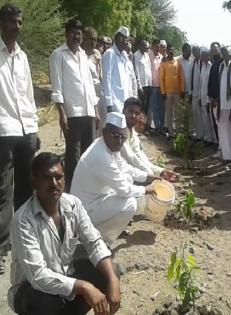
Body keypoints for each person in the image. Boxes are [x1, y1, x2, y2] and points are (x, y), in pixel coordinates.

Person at [8, 152, 120, 315]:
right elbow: (38, 276)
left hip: (66, 276)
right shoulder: (23, 220)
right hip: (32, 290)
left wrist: (113, 279)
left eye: (58, 177)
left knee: (109, 272)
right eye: (46, 178)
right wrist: (84, 286)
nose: (54, 183)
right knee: (46, 302)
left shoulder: (73, 205)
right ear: (34, 182)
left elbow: (94, 243)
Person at [71, 112, 156, 244]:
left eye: (123, 137)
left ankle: (100, 231)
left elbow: (125, 168)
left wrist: (149, 176)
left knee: (127, 178)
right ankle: (98, 241)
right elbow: (124, 190)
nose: (120, 141)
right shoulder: (101, 156)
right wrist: (146, 189)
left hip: (96, 199)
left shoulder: (107, 146)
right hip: (85, 209)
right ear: (105, 133)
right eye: (116, 136)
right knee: (130, 204)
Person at [0, 4, 39, 274]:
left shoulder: (21, 57)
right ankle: (1, 249)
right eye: (13, 22)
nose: (18, 27)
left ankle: (24, 240)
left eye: (20, 22)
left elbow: (28, 95)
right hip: (3, 131)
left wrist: (34, 128)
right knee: (3, 192)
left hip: (26, 130)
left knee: (27, 190)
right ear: (2, 23)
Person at [50, 19, 100, 192]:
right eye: (73, 33)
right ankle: (71, 190)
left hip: (88, 112)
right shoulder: (58, 55)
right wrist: (61, 113)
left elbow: (89, 85)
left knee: (88, 154)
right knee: (73, 155)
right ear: (66, 34)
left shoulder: (84, 57)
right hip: (72, 113)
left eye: (79, 34)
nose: (76, 36)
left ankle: (86, 190)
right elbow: (57, 87)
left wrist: (95, 110)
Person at [121, 97, 178, 182]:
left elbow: (140, 157)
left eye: (136, 113)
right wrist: (151, 174)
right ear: (123, 111)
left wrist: (161, 172)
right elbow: (132, 159)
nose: (133, 116)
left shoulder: (133, 133)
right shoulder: (119, 133)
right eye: (130, 111)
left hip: (131, 173)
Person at [102, 26, 135, 113]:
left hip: (125, 102)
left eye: (126, 39)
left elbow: (127, 81)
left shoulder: (124, 56)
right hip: (115, 104)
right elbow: (106, 79)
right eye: (122, 38)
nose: (125, 41)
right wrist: (109, 103)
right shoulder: (110, 54)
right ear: (116, 38)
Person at [159, 44, 185, 136]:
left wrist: (182, 90)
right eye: (169, 50)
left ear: (174, 52)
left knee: (178, 113)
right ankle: (171, 133)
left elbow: (181, 77)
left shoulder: (178, 62)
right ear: (166, 52)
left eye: (172, 50)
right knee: (169, 114)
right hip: (167, 93)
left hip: (177, 93)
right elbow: (161, 78)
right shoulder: (163, 63)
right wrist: (162, 92)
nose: (171, 52)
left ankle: (178, 132)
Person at [218, 47, 231, 162]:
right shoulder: (221, 66)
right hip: (223, 102)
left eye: (226, 53)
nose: (224, 55)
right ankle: (227, 156)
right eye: (222, 53)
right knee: (224, 130)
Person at [199, 48, 215, 144]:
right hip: (203, 97)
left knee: (212, 120)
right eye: (202, 55)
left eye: (206, 55)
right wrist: (200, 97)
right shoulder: (202, 67)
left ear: (208, 56)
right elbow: (201, 84)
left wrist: (209, 100)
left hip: (209, 98)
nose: (204, 57)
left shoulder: (211, 66)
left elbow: (211, 84)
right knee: (205, 119)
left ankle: (215, 140)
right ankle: (208, 139)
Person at [207, 42, 222, 144]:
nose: (214, 52)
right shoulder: (213, 65)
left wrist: (217, 99)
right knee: (216, 124)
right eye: (213, 50)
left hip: (220, 100)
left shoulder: (223, 63)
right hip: (213, 100)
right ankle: (220, 146)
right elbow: (210, 83)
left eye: (216, 50)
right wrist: (211, 98)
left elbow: (222, 84)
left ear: (219, 49)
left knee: (222, 126)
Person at [133, 39, 152, 119]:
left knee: (147, 107)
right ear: (140, 46)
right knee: (142, 107)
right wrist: (139, 86)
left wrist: (151, 83)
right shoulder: (136, 55)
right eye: (144, 46)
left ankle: (145, 126)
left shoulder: (146, 55)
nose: (146, 48)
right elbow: (136, 72)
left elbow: (149, 69)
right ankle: (140, 127)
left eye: (147, 47)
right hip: (142, 86)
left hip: (148, 85)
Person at [149, 39, 164, 132]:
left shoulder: (162, 57)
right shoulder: (148, 56)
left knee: (161, 107)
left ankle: (161, 127)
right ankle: (157, 127)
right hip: (153, 85)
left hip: (161, 86)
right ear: (153, 46)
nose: (158, 48)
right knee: (154, 107)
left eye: (159, 46)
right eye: (156, 46)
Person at [190, 46, 203, 139]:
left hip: (202, 94)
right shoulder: (193, 63)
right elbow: (190, 77)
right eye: (193, 52)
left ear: (199, 52)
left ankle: (206, 136)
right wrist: (190, 92)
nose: (195, 53)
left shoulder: (203, 62)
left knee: (204, 116)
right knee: (196, 115)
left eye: (196, 51)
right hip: (194, 93)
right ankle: (199, 135)